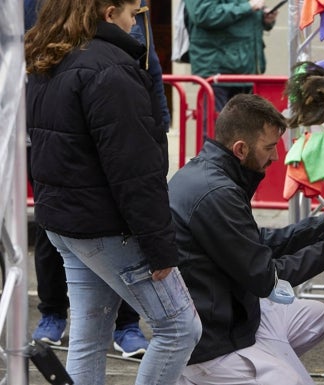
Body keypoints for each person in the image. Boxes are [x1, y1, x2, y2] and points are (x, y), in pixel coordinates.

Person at [24, 1, 202, 384]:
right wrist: (159, 247)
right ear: (108, 14)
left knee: (89, 339)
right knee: (180, 329)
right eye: (132, 13)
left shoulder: (51, 59)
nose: (134, 22)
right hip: (103, 225)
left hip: (68, 222)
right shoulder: (109, 68)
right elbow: (135, 170)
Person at [167, 93, 324, 385]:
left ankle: (268, 361)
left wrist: (322, 225)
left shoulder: (211, 173)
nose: (276, 157)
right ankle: (211, 377)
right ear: (240, 148)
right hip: (214, 339)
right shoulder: (217, 193)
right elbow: (265, 277)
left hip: (235, 310)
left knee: (318, 316)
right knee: (296, 382)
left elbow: (254, 241)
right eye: (270, 147)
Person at [184, 0, 278, 113]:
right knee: (215, 128)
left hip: (245, 69)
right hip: (217, 70)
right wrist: (248, 7)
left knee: (244, 128)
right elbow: (203, 13)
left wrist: (264, 18)